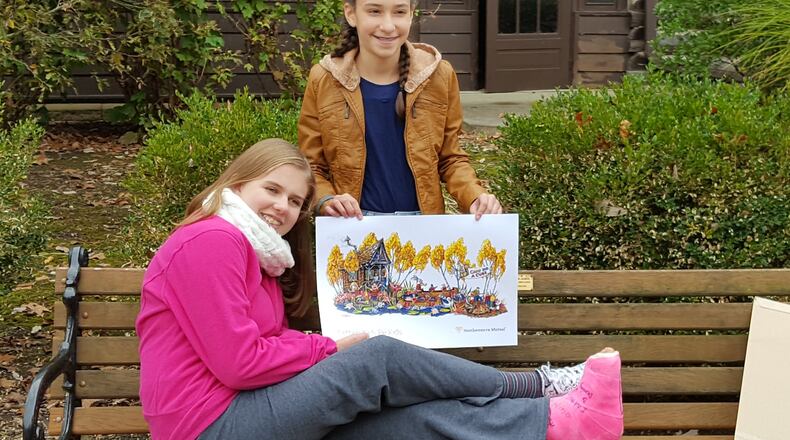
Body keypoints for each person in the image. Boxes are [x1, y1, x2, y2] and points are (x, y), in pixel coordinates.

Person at [136, 139, 624, 440]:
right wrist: (326, 349)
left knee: (411, 424)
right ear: (238, 184)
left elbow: (266, 345)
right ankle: (535, 384)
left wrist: (311, 350)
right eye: (271, 189)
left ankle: (557, 421)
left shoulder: (259, 256)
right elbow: (240, 363)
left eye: (294, 201)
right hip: (210, 426)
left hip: (248, 415)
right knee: (379, 358)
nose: (282, 208)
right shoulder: (210, 240)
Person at [298, 0, 502, 220]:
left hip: (423, 225)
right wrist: (327, 200)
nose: (387, 25)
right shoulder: (324, 80)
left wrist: (475, 196)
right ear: (351, 14)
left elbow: (451, 158)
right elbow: (312, 166)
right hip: (354, 226)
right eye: (374, 11)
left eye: (399, 12)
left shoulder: (439, 76)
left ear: (411, 15)